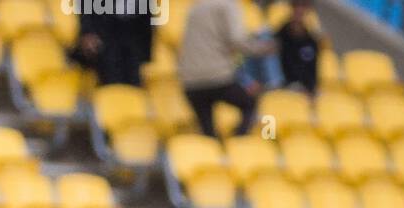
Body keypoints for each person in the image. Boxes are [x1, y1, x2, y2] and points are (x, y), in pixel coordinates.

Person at [178, 0, 276, 137]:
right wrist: (261, 48)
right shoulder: (228, 5)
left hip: (190, 81)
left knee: (208, 133)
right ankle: (237, 143)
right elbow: (236, 40)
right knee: (250, 104)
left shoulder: (195, 7)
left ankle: (220, 146)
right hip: (218, 76)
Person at [67, 7, 154, 88]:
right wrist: (87, 32)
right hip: (103, 39)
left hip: (133, 40)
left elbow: (147, 18)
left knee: (133, 79)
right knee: (111, 73)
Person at [275, 0, 320, 95]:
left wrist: (309, 89)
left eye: (303, 6)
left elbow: (312, 72)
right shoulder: (280, 35)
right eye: (296, 5)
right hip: (283, 86)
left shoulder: (311, 41)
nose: (299, 10)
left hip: (304, 89)